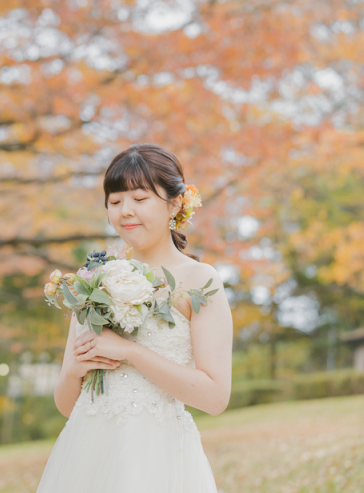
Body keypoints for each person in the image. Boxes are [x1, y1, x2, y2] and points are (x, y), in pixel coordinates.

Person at [36, 143, 233, 492]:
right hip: (86, 455)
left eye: (140, 199)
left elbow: (216, 397)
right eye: (115, 202)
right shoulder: (92, 281)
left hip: (158, 456)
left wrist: (130, 353)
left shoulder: (199, 281)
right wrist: (78, 369)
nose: (125, 212)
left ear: (174, 203)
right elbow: (67, 405)